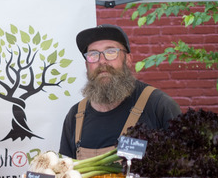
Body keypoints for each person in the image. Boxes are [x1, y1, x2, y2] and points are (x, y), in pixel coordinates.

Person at [59, 24, 181, 160]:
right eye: (93, 55)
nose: (102, 61)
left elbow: (184, 167)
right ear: (87, 65)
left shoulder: (158, 106)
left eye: (111, 52)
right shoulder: (75, 116)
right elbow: (68, 173)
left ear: (128, 59)